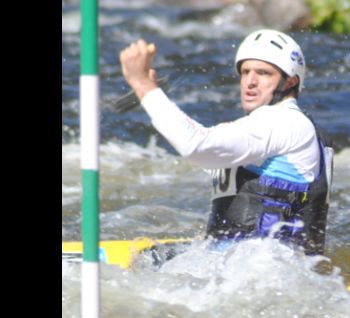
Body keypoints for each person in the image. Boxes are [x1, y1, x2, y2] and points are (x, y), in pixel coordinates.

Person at [119, 29, 333, 255]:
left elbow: (195, 145)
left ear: (290, 82)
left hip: (263, 272)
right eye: (245, 72)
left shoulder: (282, 122)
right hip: (246, 265)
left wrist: (143, 85)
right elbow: (199, 145)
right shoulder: (279, 126)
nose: (250, 82)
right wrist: (155, 96)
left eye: (263, 73)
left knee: (147, 260)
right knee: (154, 256)